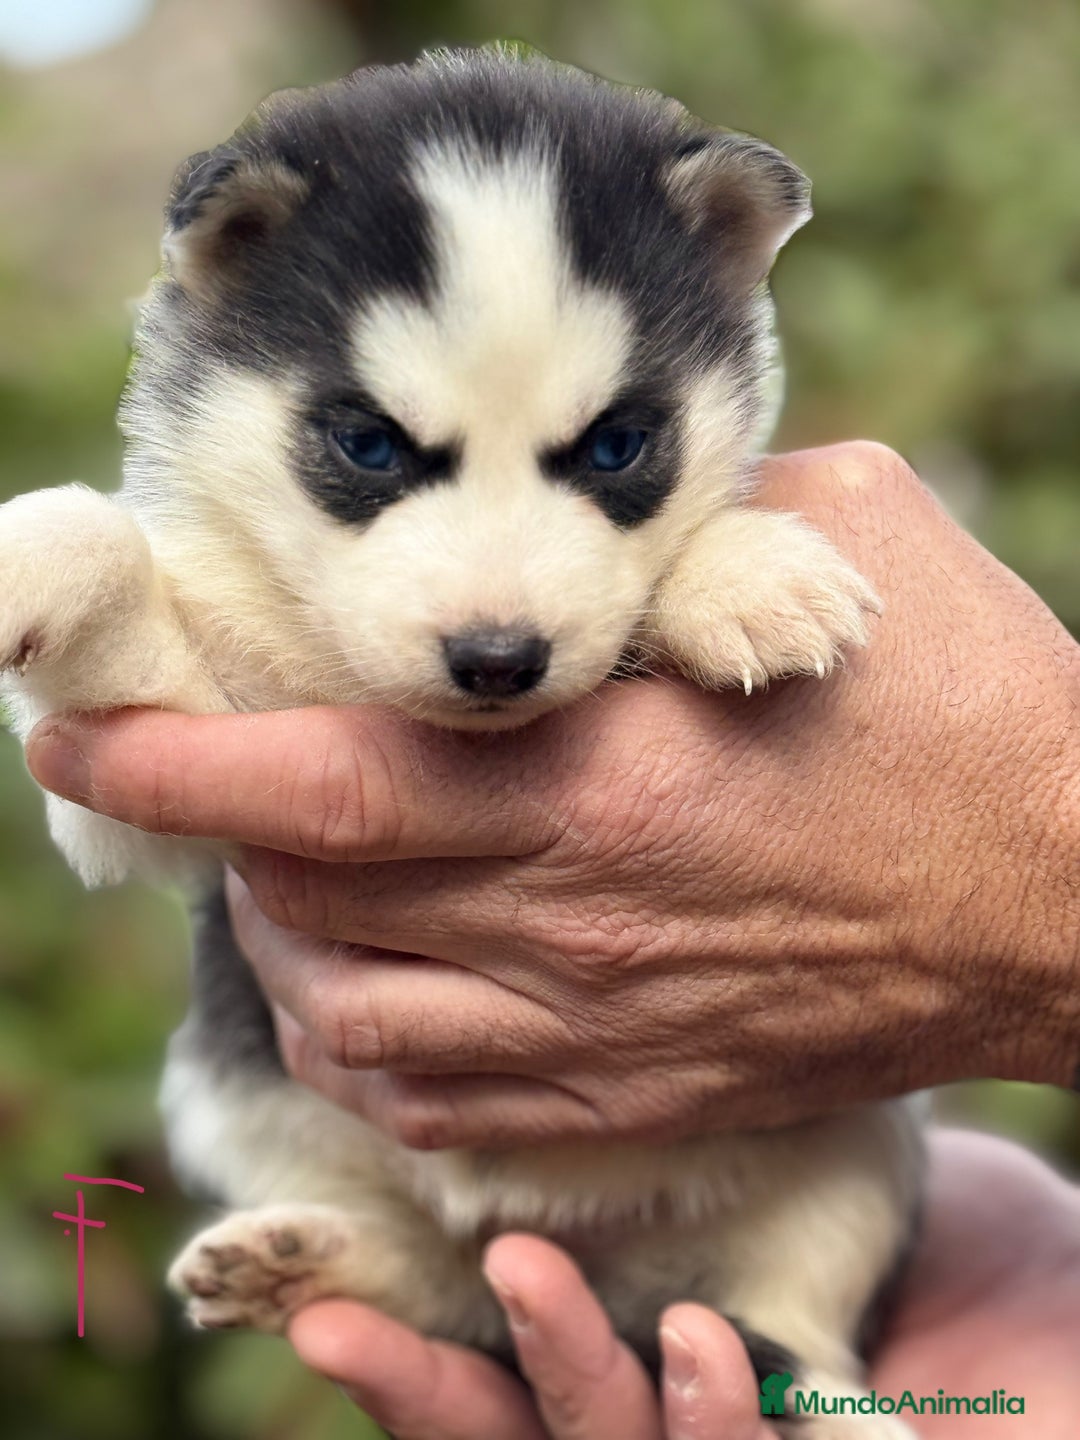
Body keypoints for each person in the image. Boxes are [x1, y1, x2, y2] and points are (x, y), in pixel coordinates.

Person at [26, 442, 1080, 1434]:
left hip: (738, 1189)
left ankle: (809, 1372)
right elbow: (126, 801)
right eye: (375, 449)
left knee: (845, 1199)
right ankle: (409, 1263)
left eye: (609, 448)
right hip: (360, 1150)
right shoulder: (243, 549)